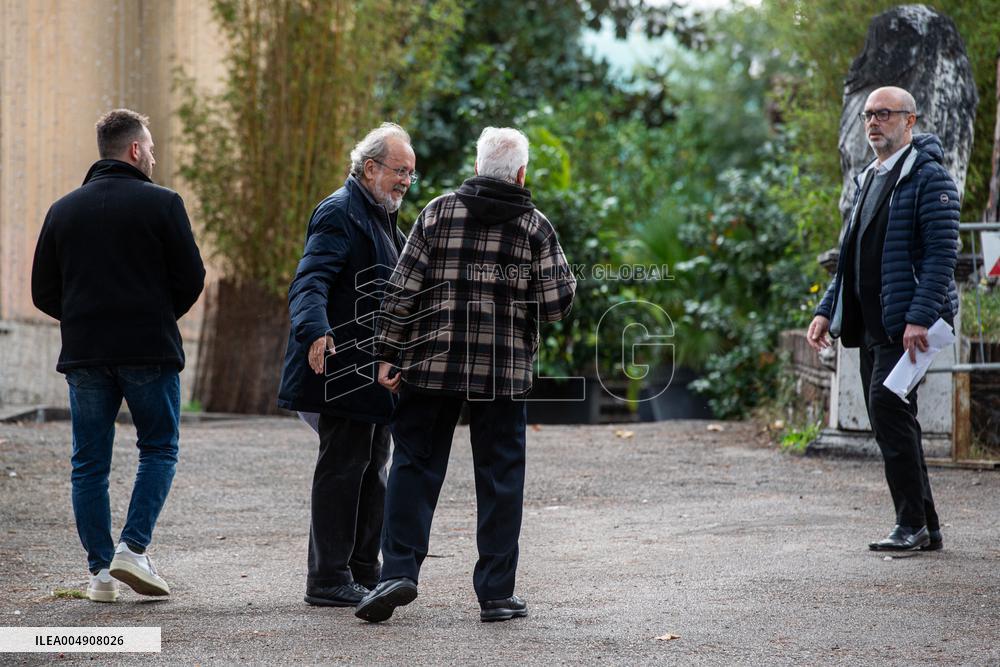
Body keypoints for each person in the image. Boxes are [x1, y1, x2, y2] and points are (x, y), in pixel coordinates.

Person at [355, 127, 577, 624]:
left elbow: (401, 289)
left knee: (414, 463)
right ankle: (496, 595)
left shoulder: (437, 212)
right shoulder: (535, 227)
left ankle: (398, 573)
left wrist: (387, 351)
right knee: (500, 477)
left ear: (477, 168)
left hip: (431, 365)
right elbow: (558, 305)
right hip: (502, 374)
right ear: (521, 174)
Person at [30, 109, 206, 602]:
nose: (153, 155)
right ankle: (132, 548)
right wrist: (154, 314)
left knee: (88, 465)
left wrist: (84, 320)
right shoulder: (164, 204)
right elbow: (191, 277)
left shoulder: (62, 210)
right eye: (149, 147)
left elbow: (42, 289)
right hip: (149, 349)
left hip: (85, 355)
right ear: (134, 150)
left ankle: (99, 576)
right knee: (159, 448)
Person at [807, 86, 959, 552]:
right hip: (870, 326)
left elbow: (941, 257)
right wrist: (825, 310)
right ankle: (926, 526)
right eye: (869, 115)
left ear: (910, 121)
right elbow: (851, 255)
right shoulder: (868, 177)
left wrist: (918, 317)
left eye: (885, 114)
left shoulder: (929, 178)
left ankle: (909, 523)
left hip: (904, 327)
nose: (873, 122)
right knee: (895, 419)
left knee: (890, 415)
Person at [276, 123, 415, 607]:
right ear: (370, 167)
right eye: (400, 171)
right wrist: (314, 329)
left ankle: (360, 570)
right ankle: (328, 579)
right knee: (343, 469)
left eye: (411, 175)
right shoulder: (340, 212)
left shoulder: (379, 214)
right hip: (339, 369)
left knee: (372, 467)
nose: (404, 181)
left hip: (369, 372)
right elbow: (309, 280)